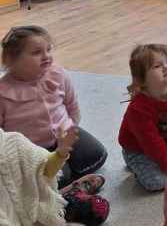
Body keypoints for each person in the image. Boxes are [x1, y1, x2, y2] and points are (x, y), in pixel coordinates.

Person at [0, 26, 108, 189]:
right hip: (33, 151)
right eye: (36, 52)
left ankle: (67, 179)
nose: (46, 56)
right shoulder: (4, 92)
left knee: (97, 155)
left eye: (48, 50)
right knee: (57, 177)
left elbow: (72, 105)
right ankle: (67, 186)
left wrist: (71, 130)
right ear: (12, 60)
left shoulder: (58, 74)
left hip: (64, 135)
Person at [0, 125, 109, 226]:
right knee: (63, 175)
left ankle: (66, 202)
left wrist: (60, 154)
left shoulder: (13, 143)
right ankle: (65, 202)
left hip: (52, 136)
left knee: (95, 154)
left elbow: (38, 168)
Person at [118, 43, 167, 192]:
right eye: (157, 66)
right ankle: (134, 165)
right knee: (158, 182)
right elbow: (152, 143)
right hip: (139, 149)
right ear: (143, 80)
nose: (166, 67)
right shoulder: (138, 109)